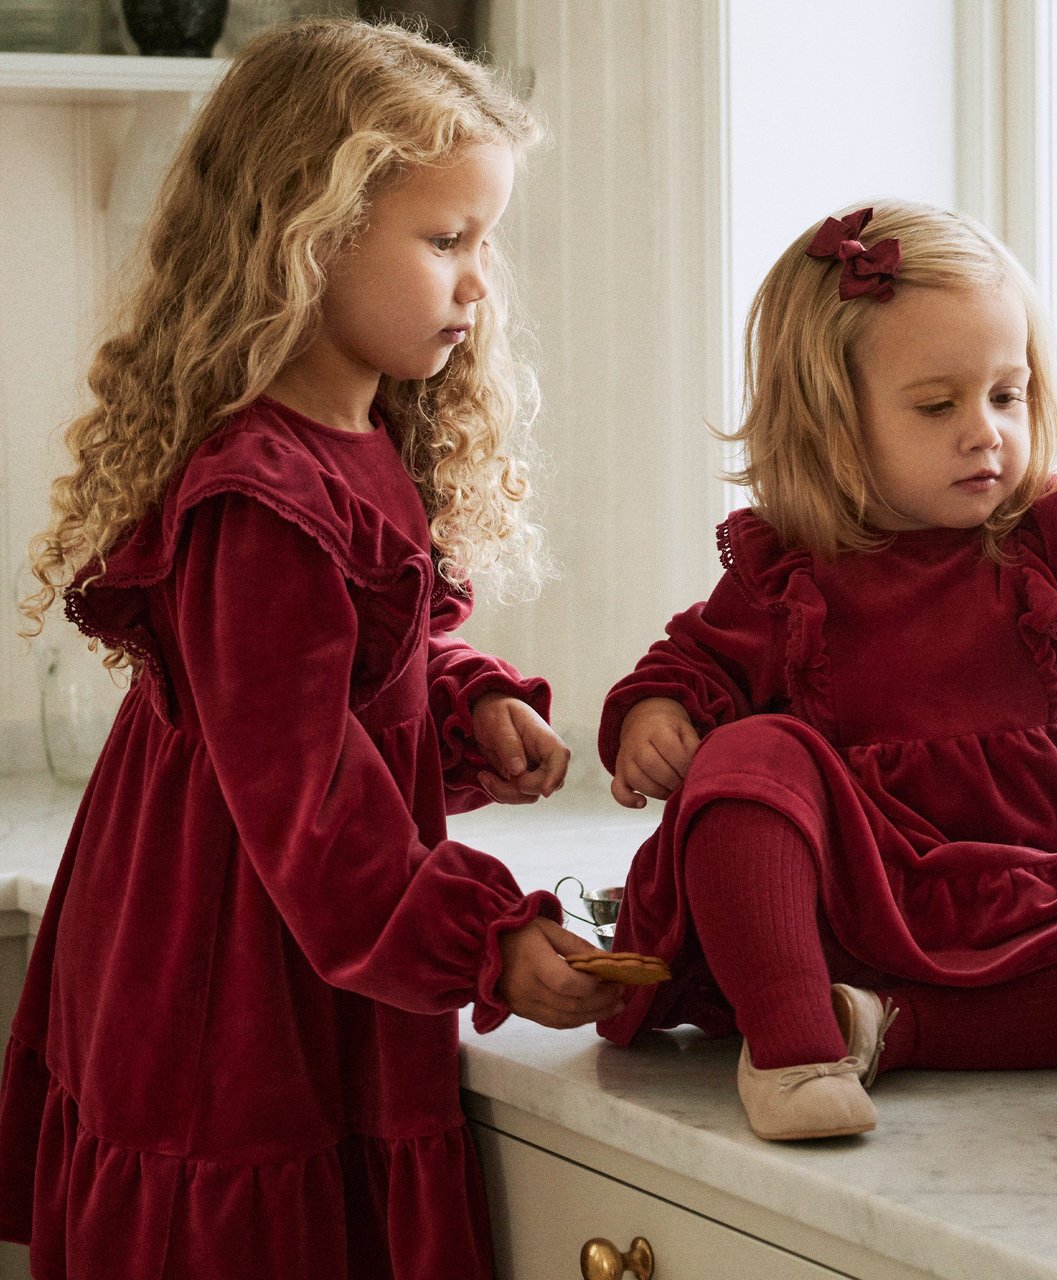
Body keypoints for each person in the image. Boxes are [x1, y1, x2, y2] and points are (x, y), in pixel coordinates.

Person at [0, 19, 621, 1278]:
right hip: (231, 981)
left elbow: (352, 678)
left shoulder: (359, 443)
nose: (478, 283)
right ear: (303, 232)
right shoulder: (258, 493)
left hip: (307, 943)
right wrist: (484, 938)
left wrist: (465, 701)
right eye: (444, 240)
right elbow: (309, 796)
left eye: (482, 241)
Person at [597, 199, 1057, 1142]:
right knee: (750, 758)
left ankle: (883, 1030)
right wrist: (660, 710)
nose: (986, 432)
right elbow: (694, 661)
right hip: (849, 908)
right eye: (938, 404)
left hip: (1040, 906)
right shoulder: (790, 571)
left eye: (1007, 394)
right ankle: (793, 1043)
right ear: (833, 418)